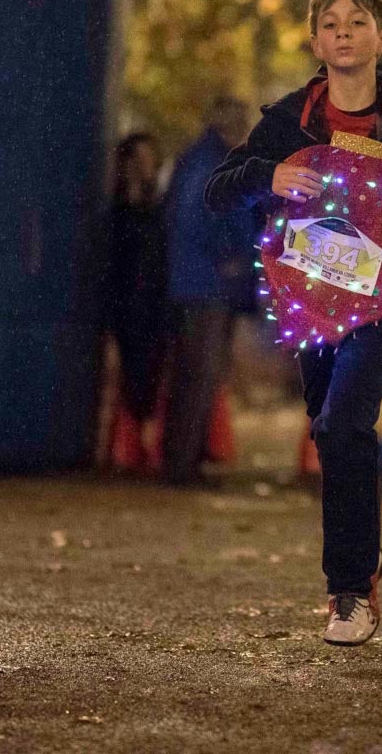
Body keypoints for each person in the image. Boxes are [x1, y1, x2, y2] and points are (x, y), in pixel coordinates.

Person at [205, 0, 382, 646]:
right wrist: (267, 178)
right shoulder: (290, 118)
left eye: (358, 21)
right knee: (330, 430)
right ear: (316, 39)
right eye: (331, 23)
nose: (344, 32)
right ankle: (364, 554)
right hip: (310, 300)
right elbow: (218, 192)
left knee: (345, 420)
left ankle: (349, 592)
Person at [161, 96, 260, 486]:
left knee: (197, 375)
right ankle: (182, 466)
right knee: (199, 375)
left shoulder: (201, 160)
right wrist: (229, 256)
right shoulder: (212, 163)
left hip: (201, 283)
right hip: (207, 285)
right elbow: (200, 217)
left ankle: (185, 460)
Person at [102, 132, 168, 473]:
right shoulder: (119, 213)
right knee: (131, 378)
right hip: (129, 308)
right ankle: (125, 451)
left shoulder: (156, 208)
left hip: (152, 308)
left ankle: (137, 450)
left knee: (148, 379)